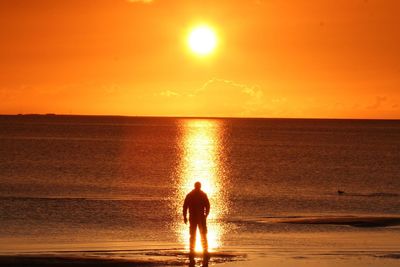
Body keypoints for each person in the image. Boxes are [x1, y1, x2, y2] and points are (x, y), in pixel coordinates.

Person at [183, 181, 210, 254]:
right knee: (194, 234)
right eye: (198, 186)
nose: (198, 187)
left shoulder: (201, 195)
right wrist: (184, 216)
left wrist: (206, 215)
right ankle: (193, 249)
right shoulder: (191, 195)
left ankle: (204, 249)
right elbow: (185, 206)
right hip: (195, 217)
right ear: (196, 186)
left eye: (199, 186)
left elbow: (207, 206)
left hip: (200, 217)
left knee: (202, 233)